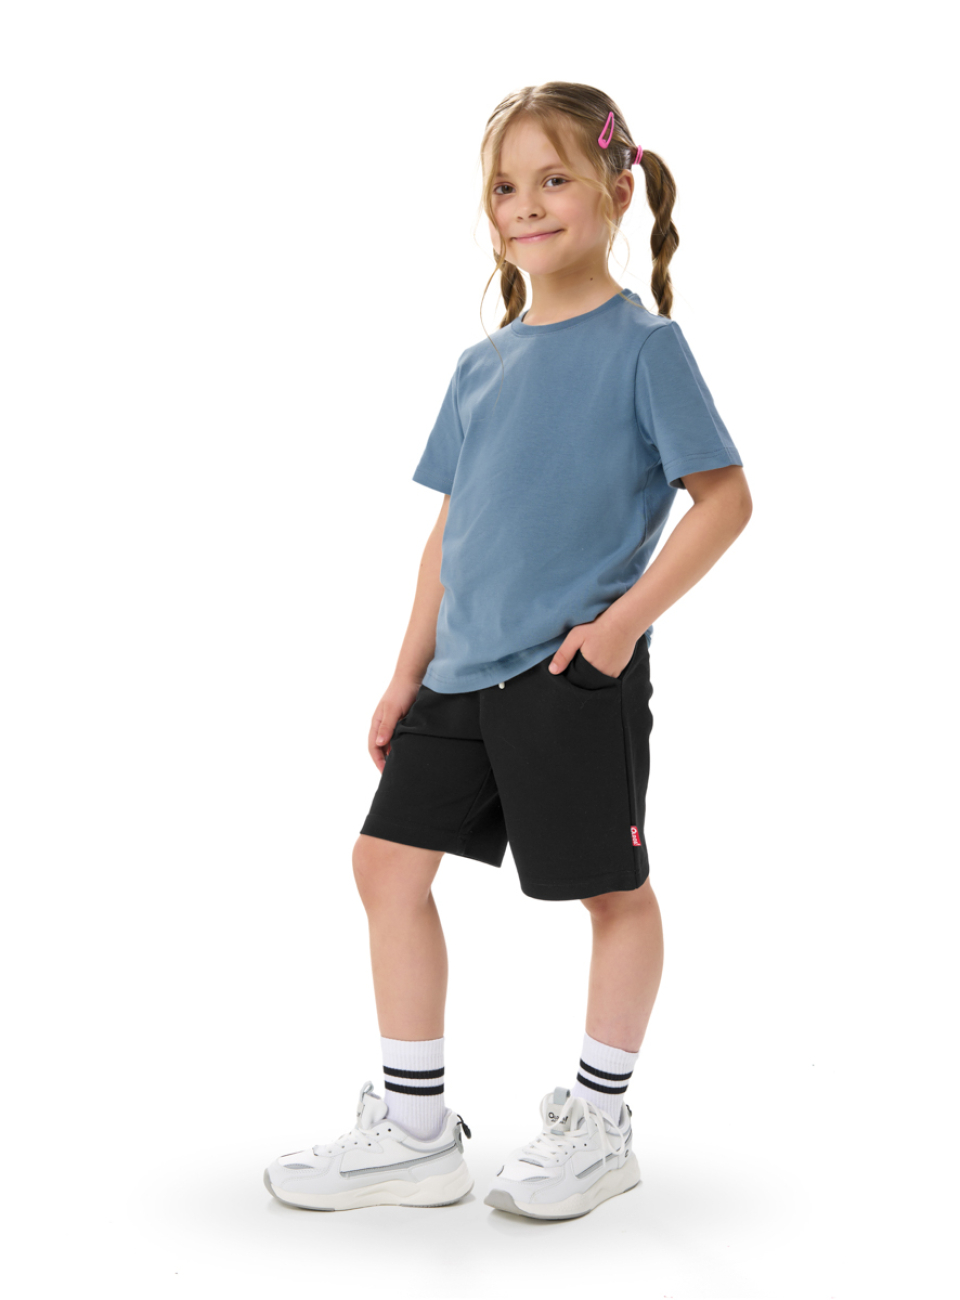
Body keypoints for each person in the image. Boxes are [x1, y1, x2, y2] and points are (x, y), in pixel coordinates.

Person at [264, 82, 752, 1220]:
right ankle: (415, 1133)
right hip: (458, 673)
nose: (526, 204)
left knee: (611, 891)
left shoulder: (645, 347)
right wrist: (404, 674)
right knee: (386, 865)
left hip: (567, 677)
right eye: (504, 186)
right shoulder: (480, 366)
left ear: (615, 191)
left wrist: (616, 632)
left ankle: (599, 1122)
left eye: (553, 178)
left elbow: (725, 500)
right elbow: (451, 532)